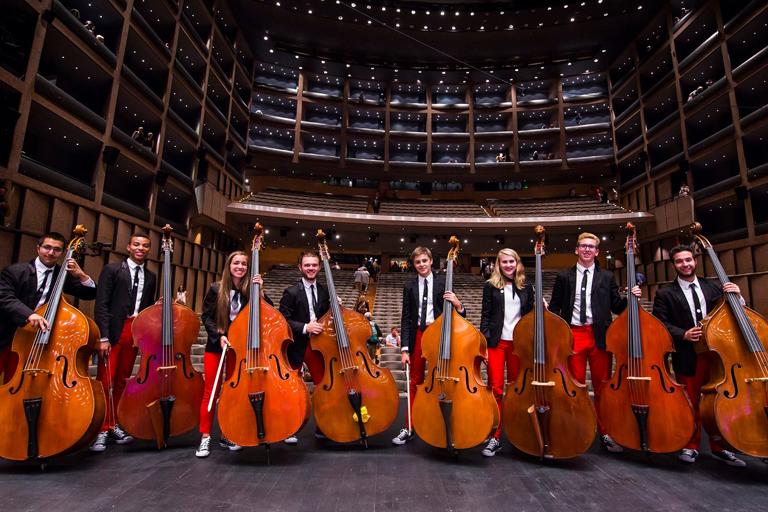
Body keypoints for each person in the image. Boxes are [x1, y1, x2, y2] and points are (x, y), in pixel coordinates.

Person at [651, 245, 746, 467]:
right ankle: (691, 446)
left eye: (688, 260)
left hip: (716, 355)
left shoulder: (712, 287)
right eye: (680, 261)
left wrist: (737, 296)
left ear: (695, 261)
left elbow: (731, 312)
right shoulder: (665, 293)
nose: (685, 264)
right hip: (688, 356)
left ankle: (721, 446)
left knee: (719, 403)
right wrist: (682, 334)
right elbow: (659, 323)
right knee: (691, 403)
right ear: (673, 265)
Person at [548, 232, 640, 453]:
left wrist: (631, 297)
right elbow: (555, 307)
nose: (587, 249)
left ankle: (605, 432)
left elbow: (617, 306)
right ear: (577, 250)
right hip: (574, 335)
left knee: (602, 387)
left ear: (597, 251)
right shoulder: (564, 277)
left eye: (592, 247)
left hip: (600, 336)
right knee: (576, 386)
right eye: (583, 246)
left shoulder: (606, 277)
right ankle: (577, 430)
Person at [195, 251, 273, 458]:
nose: (240, 267)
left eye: (244, 264)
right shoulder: (216, 289)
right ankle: (205, 437)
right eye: (236, 263)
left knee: (233, 394)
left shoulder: (251, 290)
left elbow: (269, 312)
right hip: (217, 347)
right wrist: (218, 336)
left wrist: (260, 290)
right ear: (229, 266)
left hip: (240, 351)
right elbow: (207, 317)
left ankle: (227, 434)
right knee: (210, 391)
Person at [0, 232, 97, 385]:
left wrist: (81, 275)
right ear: (38, 248)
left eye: (57, 250)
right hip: (7, 334)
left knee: (17, 381)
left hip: (34, 339)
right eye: (47, 247)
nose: (51, 253)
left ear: (62, 253)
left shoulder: (62, 275)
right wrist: (30, 315)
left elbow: (89, 294)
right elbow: (4, 297)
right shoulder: (15, 271)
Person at [392, 246, 466, 445]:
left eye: (425, 261)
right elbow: (406, 319)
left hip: (438, 335)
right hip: (417, 334)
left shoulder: (444, 282)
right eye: (417, 262)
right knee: (414, 380)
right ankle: (410, 426)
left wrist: (459, 305)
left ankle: (438, 423)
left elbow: (460, 317)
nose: (422, 265)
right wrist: (405, 349)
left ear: (431, 261)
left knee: (440, 380)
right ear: (413, 265)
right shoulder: (409, 287)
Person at [91, 232, 157, 452]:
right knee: (105, 381)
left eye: (145, 246)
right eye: (136, 244)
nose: (141, 248)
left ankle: (114, 424)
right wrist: (103, 337)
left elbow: (146, 310)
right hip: (113, 332)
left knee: (121, 381)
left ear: (149, 250)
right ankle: (101, 429)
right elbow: (101, 304)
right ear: (128, 247)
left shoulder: (150, 276)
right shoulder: (111, 270)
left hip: (134, 332)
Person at [478, 248, 534, 457]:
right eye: (504, 262)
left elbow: (529, 317)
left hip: (518, 345)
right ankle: (496, 436)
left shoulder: (526, 287)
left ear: (517, 262)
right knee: (496, 389)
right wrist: (484, 343)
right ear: (498, 265)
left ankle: (518, 432)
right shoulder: (490, 286)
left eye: (512, 261)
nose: (508, 265)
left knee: (516, 389)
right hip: (497, 343)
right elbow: (485, 316)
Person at [279, 251, 331, 444]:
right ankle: (289, 428)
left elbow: (326, 316)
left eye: (314, 265)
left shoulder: (325, 291)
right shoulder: (291, 292)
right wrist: (305, 327)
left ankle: (322, 426)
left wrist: (336, 306)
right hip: (297, 345)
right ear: (300, 267)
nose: (311, 268)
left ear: (319, 267)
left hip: (319, 346)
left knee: (322, 386)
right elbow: (283, 320)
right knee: (292, 388)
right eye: (307, 265)